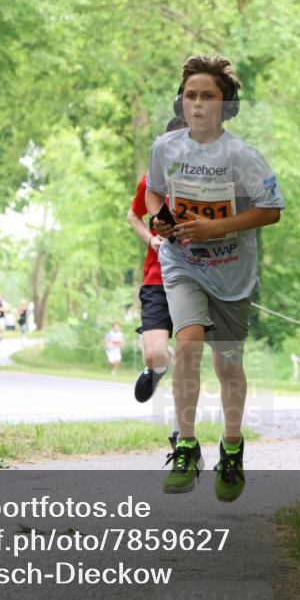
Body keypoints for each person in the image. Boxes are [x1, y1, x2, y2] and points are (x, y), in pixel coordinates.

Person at [147, 55, 284, 501]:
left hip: (231, 270)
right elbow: (153, 192)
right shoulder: (165, 148)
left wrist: (217, 227)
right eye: (191, 96)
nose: (199, 104)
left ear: (225, 106)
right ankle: (185, 445)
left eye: (209, 96)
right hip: (182, 262)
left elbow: (272, 210)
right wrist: (161, 221)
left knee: (227, 365)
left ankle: (231, 447)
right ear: (181, 102)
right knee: (186, 341)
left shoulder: (242, 156)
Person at [126, 117, 187, 404]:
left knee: (191, 359)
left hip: (193, 277)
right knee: (154, 354)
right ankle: (160, 365)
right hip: (156, 276)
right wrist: (150, 238)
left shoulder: (205, 182)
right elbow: (132, 216)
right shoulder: (150, 182)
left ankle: (181, 430)